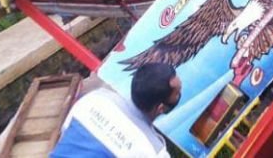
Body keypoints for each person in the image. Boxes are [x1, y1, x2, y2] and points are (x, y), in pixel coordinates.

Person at [51, 63, 182, 157]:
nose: (179, 94)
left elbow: (64, 136)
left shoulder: (93, 99)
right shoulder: (153, 151)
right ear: (160, 108)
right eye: (177, 94)